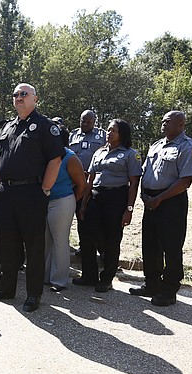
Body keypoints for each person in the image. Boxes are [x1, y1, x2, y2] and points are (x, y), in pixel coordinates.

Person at [0, 83, 64, 312]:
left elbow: (55, 160)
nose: (19, 97)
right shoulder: (7, 127)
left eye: (24, 94)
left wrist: (45, 190)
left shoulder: (46, 127)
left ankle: (33, 295)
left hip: (31, 193)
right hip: (5, 193)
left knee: (34, 246)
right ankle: (6, 289)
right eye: (16, 95)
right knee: (6, 244)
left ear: (35, 99)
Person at [130, 111, 192, 306]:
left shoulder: (189, 147)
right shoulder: (156, 145)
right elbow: (145, 171)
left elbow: (186, 180)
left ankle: (169, 290)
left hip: (172, 201)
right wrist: (144, 195)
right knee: (150, 244)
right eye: (162, 121)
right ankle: (152, 284)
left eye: (168, 121)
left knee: (171, 247)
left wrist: (160, 198)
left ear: (181, 124)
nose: (163, 124)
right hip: (151, 200)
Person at [77, 119, 142, 292]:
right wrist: (84, 204)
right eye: (108, 129)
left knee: (111, 239)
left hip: (116, 197)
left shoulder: (130, 154)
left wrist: (129, 209)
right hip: (96, 197)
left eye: (114, 130)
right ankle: (89, 276)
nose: (109, 132)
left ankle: (106, 278)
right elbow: (90, 179)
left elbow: (134, 183)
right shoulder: (99, 152)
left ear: (122, 134)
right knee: (88, 237)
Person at [44, 127, 86, 291]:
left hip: (62, 202)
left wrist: (70, 202)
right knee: (45, 240)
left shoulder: (70, 158)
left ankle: (59, 281)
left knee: (60, 241)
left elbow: (82, 185)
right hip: (45, 202)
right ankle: (46, 276)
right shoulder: (45, 156)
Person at [69, 110, 107, 283]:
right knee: (78, 220)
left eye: (88, 122)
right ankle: (83, 252)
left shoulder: (102, 135)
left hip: (93, 184)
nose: (85, 124)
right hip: (74, 184)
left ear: (94, 121)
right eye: (83, 121)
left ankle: (102, 253)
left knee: (92, 223)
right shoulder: (73, 135)